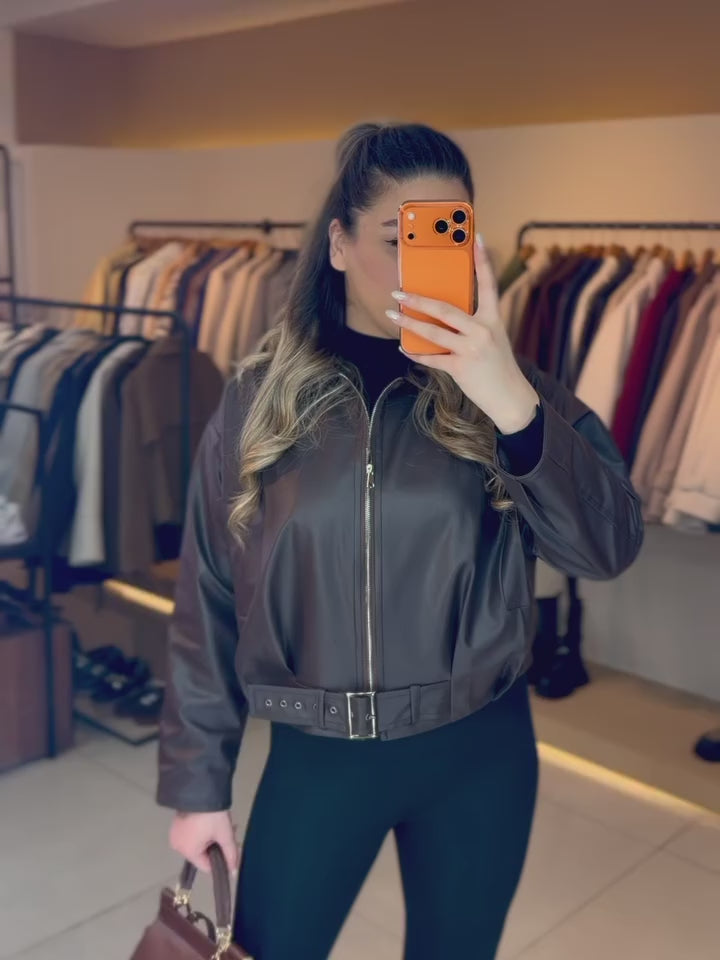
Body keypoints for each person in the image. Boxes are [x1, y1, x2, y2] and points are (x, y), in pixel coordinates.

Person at [157, 122, 643, 960]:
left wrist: (510, 403)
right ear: (339, 244)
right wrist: (198, 784)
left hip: (480, 751)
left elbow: (608, 549)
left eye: (446, 240)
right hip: (321, 762)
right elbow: (208, 598)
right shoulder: (259, 402)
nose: (421, 269)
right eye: (398, 239)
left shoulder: (513, 395)